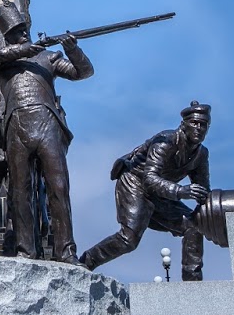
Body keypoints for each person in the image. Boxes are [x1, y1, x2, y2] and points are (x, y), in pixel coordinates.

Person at [0, 3, 94, 262]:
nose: (22, 34)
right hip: (15, 127)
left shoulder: (48, 57)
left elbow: (83, 72)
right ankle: (26, 251)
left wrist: (72, 49)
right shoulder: (1, 62)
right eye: (16, 32)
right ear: (8, 37)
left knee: (58, 188)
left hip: (47, 125)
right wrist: (17, 51)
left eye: (24, 30)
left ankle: (66, 251)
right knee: (19, 192)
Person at [79, 101, 211, 275]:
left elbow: (204, 193)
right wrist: (181, 191)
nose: (199, 128)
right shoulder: (166, 141)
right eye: (194, 123)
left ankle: (192, 283)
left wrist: (214, 208)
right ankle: (86, 262)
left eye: (204, 125)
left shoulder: (201, 154)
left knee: (194, 225)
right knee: (129, 239)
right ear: (183, 125)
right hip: (136, 183)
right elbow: (149, 178)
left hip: (161, 193)